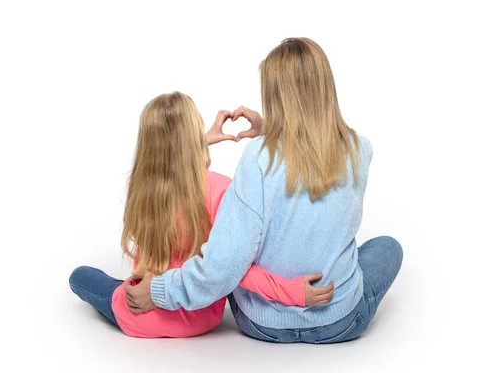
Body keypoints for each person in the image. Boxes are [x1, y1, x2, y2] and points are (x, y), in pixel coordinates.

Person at [125, 38, 403, 344]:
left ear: (274, 96)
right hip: (339, 322)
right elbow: (314, 143)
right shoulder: (359, 150)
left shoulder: (257, 157)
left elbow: (224, 265)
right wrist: (274, 128)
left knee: (236, 248)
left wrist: (159, 291)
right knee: (387, 247)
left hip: (261, 324)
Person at [68, 92, 333, 338]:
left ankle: (120, 289)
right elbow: (233, 267)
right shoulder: (220, 189)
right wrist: (291, 291)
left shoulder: (141, 187)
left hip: (137, 315)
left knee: (80, 276)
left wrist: (191, 144)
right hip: (199, 319)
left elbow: (166, 160)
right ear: (193, 135)